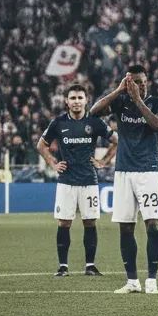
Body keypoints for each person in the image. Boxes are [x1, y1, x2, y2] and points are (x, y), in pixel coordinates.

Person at [91, 65, 158, 294]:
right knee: (125, 227)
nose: (141, 86)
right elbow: (94, 112)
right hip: (123, 171)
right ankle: (132, 281)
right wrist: (118, 91)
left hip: (148, 170)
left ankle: (152, 279)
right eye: (135, 82)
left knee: (152, 223)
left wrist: (138, 100)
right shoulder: (120, 101)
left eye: (143, 82)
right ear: (128, 83)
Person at [37, 83, 117, 277]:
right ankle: (63, 266)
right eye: (72, 98)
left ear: (86, 100)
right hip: (66, 182)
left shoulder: (95, 122)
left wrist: (104, 161)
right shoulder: (58, 123)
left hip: (89, 180)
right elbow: (41, 145)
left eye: (80, 98)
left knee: (90, 222)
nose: (76, 102)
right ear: (66, 101)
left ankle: (90, 265)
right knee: (64, 223)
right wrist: (53, 164)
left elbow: (116, 140)